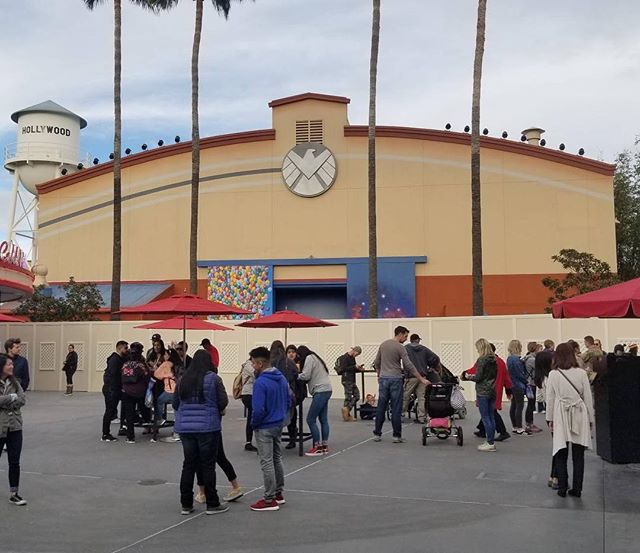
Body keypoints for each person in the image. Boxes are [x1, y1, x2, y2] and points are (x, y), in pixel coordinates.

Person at [173, 350, 229, 515]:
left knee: (188, 465)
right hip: (208, 428)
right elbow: (223, 401)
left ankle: (186, 503)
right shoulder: (214, 379)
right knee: (208, 466)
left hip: (186, 429)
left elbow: (176, 403)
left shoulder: (182, 380)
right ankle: (212, 503)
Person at [546, 343, 594, 498]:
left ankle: (562, 487)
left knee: (561, 451)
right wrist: (590, 418)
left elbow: (550, 398)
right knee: (578, 454)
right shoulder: (581, 373)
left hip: (561, 413)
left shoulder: (554, 374)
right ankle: (577, 488)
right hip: (579, 412)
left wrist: (549, 419)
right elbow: (587, 397)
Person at [249, 346, 291, 512]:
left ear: (259, 363)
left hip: (265, 426)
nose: (252, 366)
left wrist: (254, 423)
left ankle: (269, 499)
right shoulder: (280, 377)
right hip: (278, 422)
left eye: (253, 362)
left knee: (266, 462)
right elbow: (289, 398)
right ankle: (278, 493)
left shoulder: (260, 383)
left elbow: (258, 409)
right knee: (276, 458)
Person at [372, 326, 430, 443]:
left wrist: (379, 375)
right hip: (396, 379)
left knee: (381, 407)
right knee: (396, 408)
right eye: (405, 336)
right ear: (400, 334)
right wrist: (421, 379)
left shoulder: (383, 345)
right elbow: (409, 365)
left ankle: (377, 434)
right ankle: (396, 436)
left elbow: (377, 362)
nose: (406, 338)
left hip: (384, 379)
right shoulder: (400, 348)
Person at [469, 343, 512, 442]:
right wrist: (508, 390)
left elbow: (474, 371)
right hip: (497, 389)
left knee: (490, 412)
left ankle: (502, 431)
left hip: (486, 389)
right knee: (489, 411)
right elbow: (506, 377)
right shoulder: (500, 362)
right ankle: (482, 429)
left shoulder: (483, 361)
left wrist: (465, 374)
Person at [462, 338, 498, 452]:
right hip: (492, 389)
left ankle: (490, 442)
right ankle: (490, 440)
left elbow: (478, 377)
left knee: (485, 417)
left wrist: (468, 377)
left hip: (482, 391)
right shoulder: (494, 360)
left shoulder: (481, 360)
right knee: (491, 416)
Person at [0, 354, 27, 506]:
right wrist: (11, 398)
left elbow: (22, 399)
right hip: (0, 427)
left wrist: (6, 400)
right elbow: (15, 399)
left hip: (15, 427)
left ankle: (14, 493)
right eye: (8, 364)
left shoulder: (15, 382)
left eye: (12, 364)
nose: (12, 366)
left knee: (14, 462)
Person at [297, 346, 333, 456]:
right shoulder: (315, 357)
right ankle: (325, 446)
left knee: (310, 419)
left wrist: (295, 375)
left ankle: (317, 447)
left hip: (320, 391)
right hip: (327, 389)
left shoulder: (308, 358)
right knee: (323, 419)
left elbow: (306, 375)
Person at [403, 335, 440, 424]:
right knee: (421, 398)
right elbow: (435, 358)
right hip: (422, 377)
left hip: (411, 376)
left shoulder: (406, 348)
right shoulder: (424, 349)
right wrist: (431, 366)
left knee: (406, 396)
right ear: (417, 340)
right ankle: (421, 417)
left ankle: (401, 414)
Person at [270, 341, 299, 450]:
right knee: (291, 416)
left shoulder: (269, 362)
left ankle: (274, 440)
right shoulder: (289, 362)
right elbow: (296, 374)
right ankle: (292, 438)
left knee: (273, 418)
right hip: (288, 393)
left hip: (272, 394)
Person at [120, 342, 151, 444]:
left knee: (129, 414)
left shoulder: (125, 365)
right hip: (139, 392)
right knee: (144, 408)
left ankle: (130, 436)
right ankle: (147, 423)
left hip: (126, 392)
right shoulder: (141, 365)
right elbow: (147, 377)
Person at [101, 341, 128, 442]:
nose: (127, 350)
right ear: (119, 348)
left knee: (115, 408)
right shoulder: (115, 360)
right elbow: (113, 376)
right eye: (125, 348)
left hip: (113, 389)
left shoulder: (118, 359)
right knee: (109, 411)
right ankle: (105, 433)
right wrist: (114, 389)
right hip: (111, 389)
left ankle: (121, 427)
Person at [153, 348, 181, 426]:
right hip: (178, 389)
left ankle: (160, 419)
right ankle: (177, 424)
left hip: (169, 390)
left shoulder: (166, 364)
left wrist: (165, 376)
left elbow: (156, 374)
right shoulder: (179, 363)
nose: (164, 356)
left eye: (165, 354)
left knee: (159, 401)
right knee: (176, 407)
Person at [507, 340, 529, 435]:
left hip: (512, 383)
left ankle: (515, 426)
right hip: (518, 384)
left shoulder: (509, 358)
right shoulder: (516, 359)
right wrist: (526, 381)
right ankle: (519, 427)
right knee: (519, 406)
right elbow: (520, 374)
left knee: (514, 405)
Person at [336, 346, 363, 422]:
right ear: (354, 351)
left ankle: (346, 410)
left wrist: (358, 369)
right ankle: (346, 414)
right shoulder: (345, 357)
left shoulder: (352, 358)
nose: (356, 356)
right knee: (348, 397)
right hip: (347, 379)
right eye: (357, 354)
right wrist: (354, 366)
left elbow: (351, 369)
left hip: (351, 379)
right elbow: (344, 369)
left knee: (356, 396)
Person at [522, 342, 543, 433]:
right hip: (531, 384)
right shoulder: (532, 360)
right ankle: (529, 424)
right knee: (531, 404)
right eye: (539, 349)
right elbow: (540, 368)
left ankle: (530, 423)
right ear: (535, 349)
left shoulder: (528, 358)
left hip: (530, 383)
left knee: (531, 404)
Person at [240, 358, 257, 452]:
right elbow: (256, 374)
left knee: (252, 416)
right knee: (252, 415)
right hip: (248, 394)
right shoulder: (248, 365)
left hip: (254, 393)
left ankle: (249, 441)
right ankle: (248, 442)